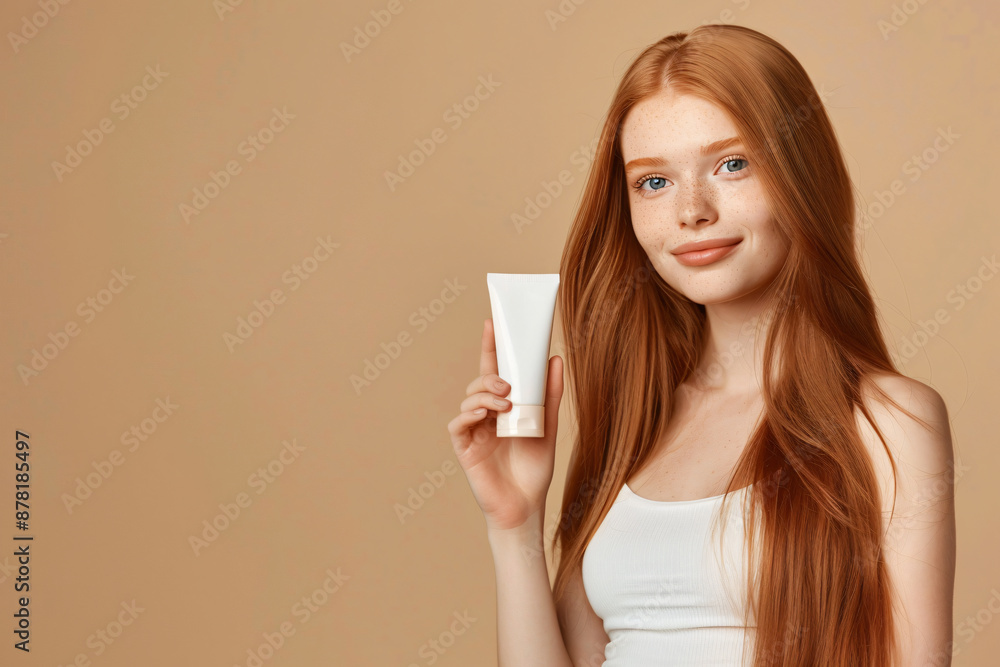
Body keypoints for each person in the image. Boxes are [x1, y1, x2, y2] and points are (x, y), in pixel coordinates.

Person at [447, 24, 956, 667]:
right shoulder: (638, 422)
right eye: (653, 182)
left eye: (732, 164)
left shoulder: (891, 421)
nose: (691, 210)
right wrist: (514, 522)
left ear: (801, 174)